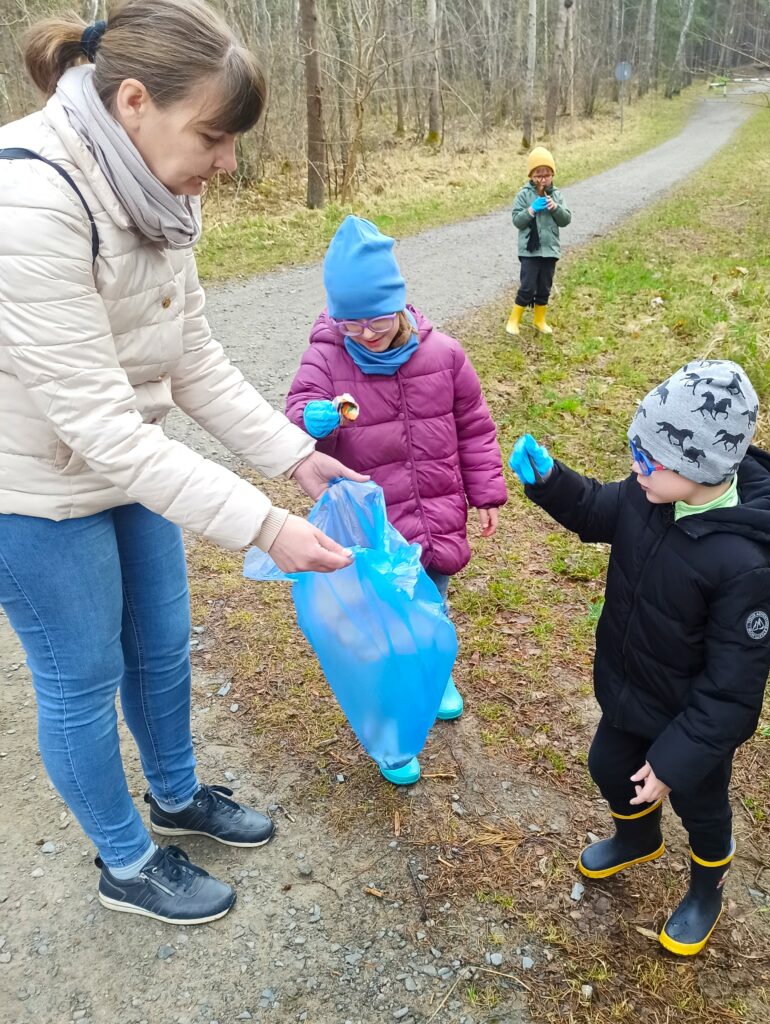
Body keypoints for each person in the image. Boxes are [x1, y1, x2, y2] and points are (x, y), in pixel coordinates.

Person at [0, 1, 369, 926]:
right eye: (214, 136)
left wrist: (298, 460)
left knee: (160, 647)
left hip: (123, 460)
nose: (228, 163)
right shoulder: (33, 203)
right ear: (134, 102)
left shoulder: (159, 194)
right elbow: (103, 432)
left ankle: (176, 795)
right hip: (32, 486)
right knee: (81, 676)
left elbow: (193, 359)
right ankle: (124, 860)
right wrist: (267, 526)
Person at [508, 360, 770, 956]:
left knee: (702, 808)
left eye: (648, 459)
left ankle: (706, 887)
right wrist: (551, 481)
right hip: (631, 690)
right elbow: (594, 508)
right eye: (635, 453)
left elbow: (731, 693)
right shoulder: (649, 497)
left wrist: (672, 761)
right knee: (610, 768)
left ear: (697, 466)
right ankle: (637, 839)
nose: (636, 468)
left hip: (692, 729)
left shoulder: (746, 569)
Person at [285, 215, 507, 785]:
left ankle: (434, 677)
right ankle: (391, 724)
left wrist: (484, 491)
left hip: (434, 513)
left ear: (401, 305)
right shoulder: (326, 358)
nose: (366, 334)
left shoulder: (446, 356)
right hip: (374, 526)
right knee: (380, 626)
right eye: (350, 324)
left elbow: (475, 426)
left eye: (378, 321)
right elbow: (295, 420)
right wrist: (311, 421)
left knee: (431, 603)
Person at [505, 146, 572, 338]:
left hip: (550, 250)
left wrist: (555, 208)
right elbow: (517, 220)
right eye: (538, 175)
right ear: (532, 176)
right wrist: (531, 210)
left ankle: (539, 319)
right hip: (529, 251)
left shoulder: (557, 195)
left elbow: (566, 219)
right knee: (527, 286)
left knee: (544, 286)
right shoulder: (524, 195)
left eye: (547, 175)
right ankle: (514, 320)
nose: (543, 179)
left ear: (552, 175)